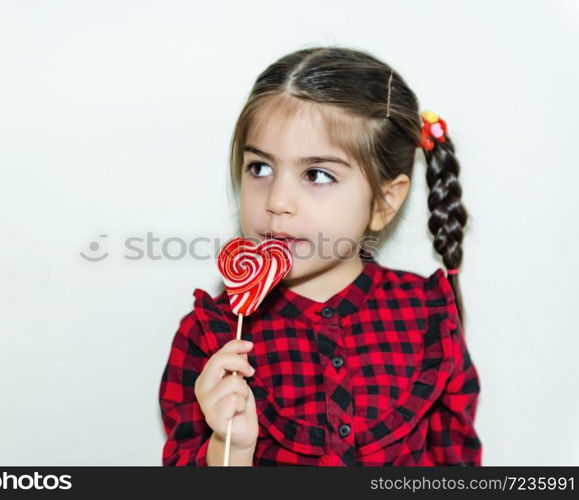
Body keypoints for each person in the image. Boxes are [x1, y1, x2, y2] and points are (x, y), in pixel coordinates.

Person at [158, 46, 482, 466]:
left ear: (385, 201)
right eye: (260, 168)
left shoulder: (429, 316)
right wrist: (229, 448)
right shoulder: (210, 337)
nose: (277, 201)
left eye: (317, 175)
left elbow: (456, 463)